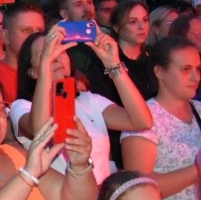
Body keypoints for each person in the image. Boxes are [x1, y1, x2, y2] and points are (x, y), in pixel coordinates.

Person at [12, 27, 151, 184]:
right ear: (33, 72)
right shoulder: (22, 107)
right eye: (45, 54)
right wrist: (46, 65)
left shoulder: (90, 100)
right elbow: (40, 131)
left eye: (60, 51)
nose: (55, 57)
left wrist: (113, 64)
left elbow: (141, 121)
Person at [121, 36, 201, 200]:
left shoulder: (199, 108)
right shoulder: (144, 118)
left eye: (198, 69)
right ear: (159, 71)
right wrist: (196, 170)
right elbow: (139, 187)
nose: (195, 77)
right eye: (185, 69)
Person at [0, 2, 46, 102]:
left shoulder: (57, 68)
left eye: (40, 31)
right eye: (26, 30)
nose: (35, 36)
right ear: (5, 36)